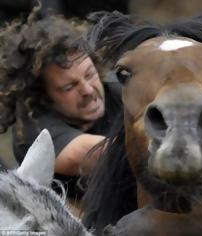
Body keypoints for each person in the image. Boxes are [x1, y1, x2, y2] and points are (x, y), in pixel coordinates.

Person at [0, 9, 121, 199]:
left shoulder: (119, 90)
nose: (88, 90)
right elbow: (87, 155)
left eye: (90, 74)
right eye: (69, 87)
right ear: (43, 98)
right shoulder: (33, 130)